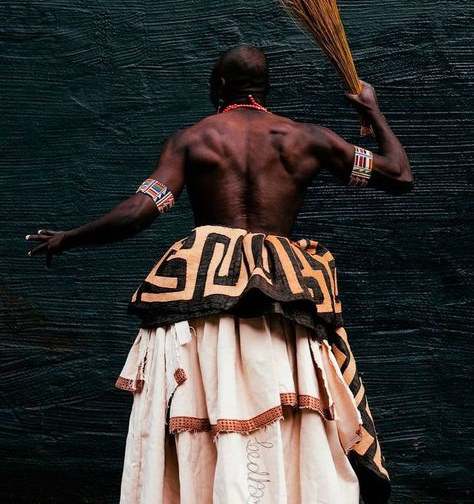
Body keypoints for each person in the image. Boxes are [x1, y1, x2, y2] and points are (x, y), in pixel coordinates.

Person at [26, 44, 413, 504]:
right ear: (265, 90)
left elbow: (139, 212)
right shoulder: (309, 139)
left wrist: (70, 237)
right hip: (284, 303)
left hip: (201, 300)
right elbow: (398, 174)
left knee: (205, 426)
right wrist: (372, 110)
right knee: (291, 423)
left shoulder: (193, 140)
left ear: (220, 87)